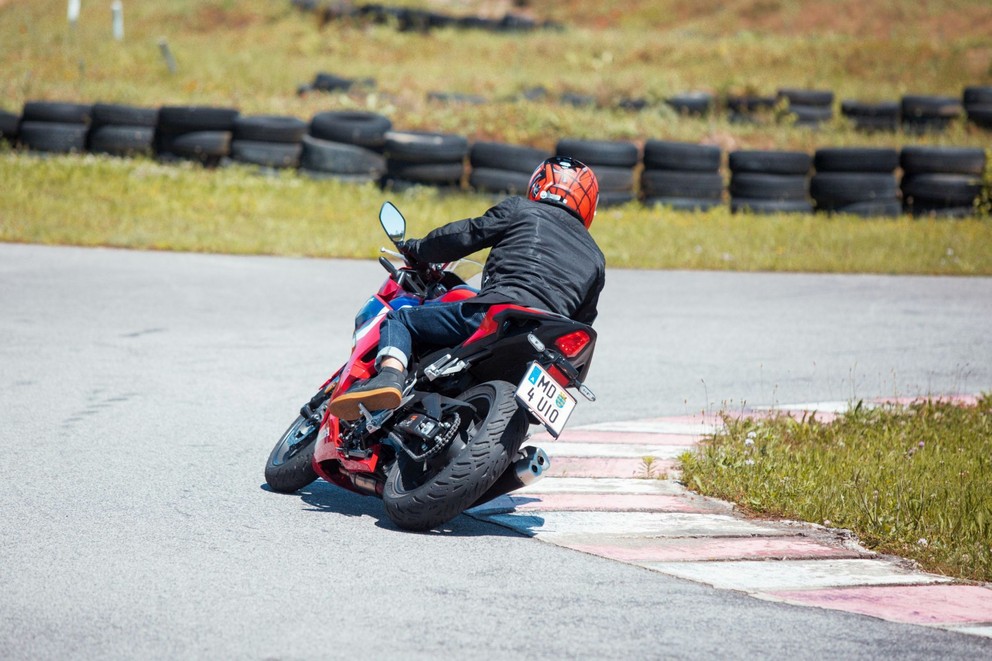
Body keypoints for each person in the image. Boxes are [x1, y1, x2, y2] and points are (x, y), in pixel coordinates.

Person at [328, 155, 606, 421]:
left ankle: (389, 377)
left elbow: (466, 235)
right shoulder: (596, 257)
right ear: (589, 204)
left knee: (400, 319)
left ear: (538, 185)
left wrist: (418, 248)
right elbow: (583, 318)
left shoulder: (522, 210)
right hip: (547, 339)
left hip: (501, 310)